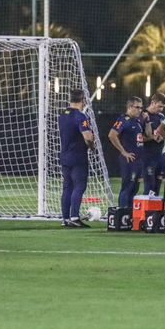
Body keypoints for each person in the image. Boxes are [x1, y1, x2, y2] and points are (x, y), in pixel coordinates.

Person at [58, 89, 95, 228]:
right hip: (78, 156)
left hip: (65, 155)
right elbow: (87, 136)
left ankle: (65, 219)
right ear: (83, 100)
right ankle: (74, 217)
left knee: (67, 187)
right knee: (79, 186)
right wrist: (92, 146)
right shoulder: (80, 116)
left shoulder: (62, 115)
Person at [108, 96, 145, 208]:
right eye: (137, 107)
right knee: (127, 187)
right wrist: (124, 152)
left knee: (134, 188)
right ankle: (123, 213)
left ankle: (129, 214)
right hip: (129, 160)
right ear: (129, 107)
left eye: (141, 107)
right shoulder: (123, 120)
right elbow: (112, 135)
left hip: (138, 160)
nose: (139, 110)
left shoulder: (137, 121)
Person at [142, 92, 165, 195]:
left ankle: (154, 210)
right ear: (153, 103)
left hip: (159, 156)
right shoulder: (143, 115)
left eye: (163, 107)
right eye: (159, 106)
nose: (161, 109)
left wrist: (163, 136)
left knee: (157, 186)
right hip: (147, 156)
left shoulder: (161, 116)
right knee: (149, 185)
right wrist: (152, 137)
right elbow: (138, 137)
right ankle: (145, 210)